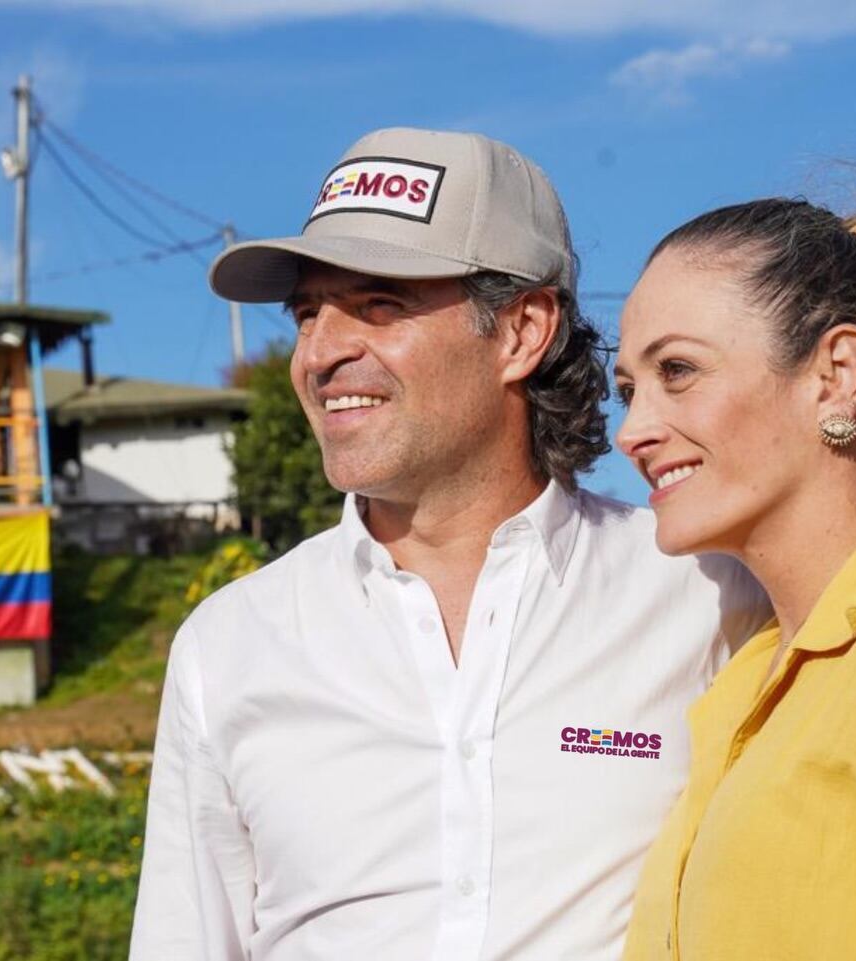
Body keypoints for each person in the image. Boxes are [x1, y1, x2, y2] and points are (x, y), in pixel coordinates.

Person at [130, 127, 768, 961]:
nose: (318, 354)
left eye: (379, 305)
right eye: (308, 313)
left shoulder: (709, 592)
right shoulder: (229, 644)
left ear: (520, 331)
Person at [614, 194, 856, 959]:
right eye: (630, 389)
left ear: (836, 374)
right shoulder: (743, 680)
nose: (632, 431)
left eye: (678, 370)